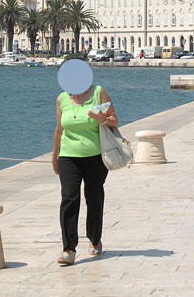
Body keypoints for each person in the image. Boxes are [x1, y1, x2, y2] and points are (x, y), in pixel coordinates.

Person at [52, 78, 120, 265]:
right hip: (68, 156)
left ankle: (94, 238)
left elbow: (115, 120)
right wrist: (55, 156)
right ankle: (68, 249)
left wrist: (103, 119)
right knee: (69, 198)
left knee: (94, 197)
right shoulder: (62, 99)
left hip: (96, 156)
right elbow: (59, 130)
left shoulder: (98, 93)